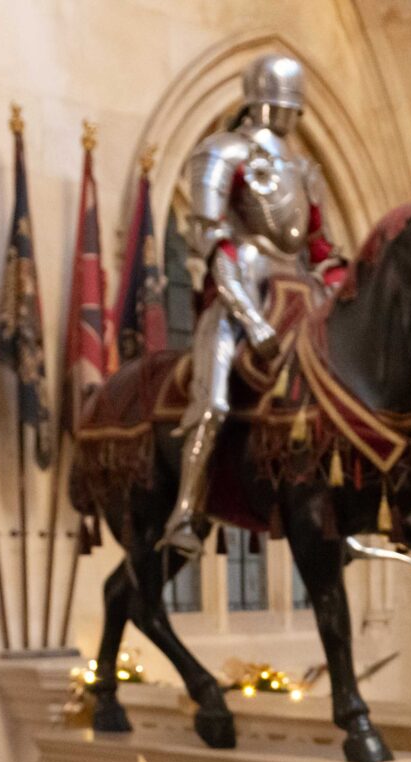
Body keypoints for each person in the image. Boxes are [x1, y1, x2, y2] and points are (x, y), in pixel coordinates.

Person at [161, 53, 350, 553]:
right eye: (291, 106)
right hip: (237, 293)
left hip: (297, 298)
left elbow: (320, 249)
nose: (296, 116)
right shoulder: (221, 153)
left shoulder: (304, 170)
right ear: (269, 104)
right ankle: (185, 510)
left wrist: (343, 286)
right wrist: (248, 317)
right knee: (213, 403)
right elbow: (211, 241)